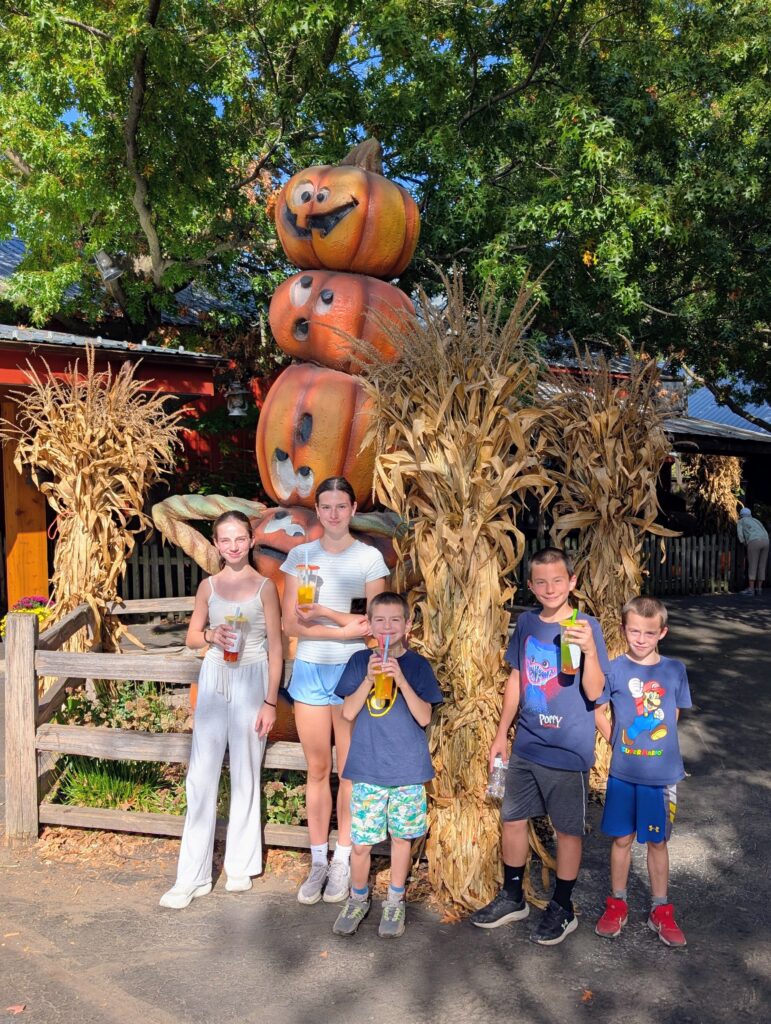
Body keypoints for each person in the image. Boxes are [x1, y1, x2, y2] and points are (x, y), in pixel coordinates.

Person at [470, 547, 610, 945]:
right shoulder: (528, 624)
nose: (550, 588)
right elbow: (517, 679)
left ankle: (563, 907)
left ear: (572, 582)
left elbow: (595, 692)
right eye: (542, 582)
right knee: (513, 820)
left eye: (558, 580)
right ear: (531, 586)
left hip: (567, 750)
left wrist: (589, 651)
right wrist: (502, 734)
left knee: (567, 831)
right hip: (527, 746)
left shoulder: (586, 626)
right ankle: (513, 896)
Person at [159, 511, 283, 909]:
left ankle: (240, 864)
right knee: (201, 775)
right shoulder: (208, 587)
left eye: (240, 538)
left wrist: (270, 701)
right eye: (225, 539)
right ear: (216, 543)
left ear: (251, 540)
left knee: (246, 771)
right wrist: (211, 634)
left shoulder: (265, 587)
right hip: (214, 679)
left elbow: (276, 648)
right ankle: (191, 875)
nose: (233, 546)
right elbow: (193, 636)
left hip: (252, 679)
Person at [281, 477, 389, 905]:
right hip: (310, 670)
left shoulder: (369, 558)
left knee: (348, 771)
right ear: (317, 511)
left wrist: (328, 617)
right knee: (317, 769)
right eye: (325, 506)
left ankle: (343, 857)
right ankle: (318, 861)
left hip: (352, 675)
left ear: (353, 508)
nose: (333, 514)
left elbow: (376, 626)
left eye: (341, 506)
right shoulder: (301, 557)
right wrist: (344, 628)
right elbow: (290, 623)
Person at [330, 592, 443, 938]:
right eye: (380, 620)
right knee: (360, 843)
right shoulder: (358, 661)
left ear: (407, 626)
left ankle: (395, 899)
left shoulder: (417, 666)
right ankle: (358, 897)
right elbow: (348, 712)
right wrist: (368, 678)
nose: (387, 627)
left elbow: (424, 717)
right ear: (369, 624)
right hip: (367, 767)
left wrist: (401, 680)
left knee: (401, 839)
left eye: (395, 620)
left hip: (407, 769)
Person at [594, 596, 692, 947]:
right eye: (634, 631)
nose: (640, 638)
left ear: (662, 632)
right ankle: (617, 904)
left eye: (649, 633)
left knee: (657, 841)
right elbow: (599, 712)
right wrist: (617, 743)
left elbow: (673, 715)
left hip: (660, 777)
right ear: (623, 629)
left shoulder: (674, 670)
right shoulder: (613, 669)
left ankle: (660, 909)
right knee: (622, 839)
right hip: (623, 773)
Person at [737, 507, 768, 596]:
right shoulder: (756, 520)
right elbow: (763, 529)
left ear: (741, 515)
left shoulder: (741, 521)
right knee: (762, 565)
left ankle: (751, 589)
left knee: (753, 565)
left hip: (754, 541)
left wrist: (744, 542)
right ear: (750, 514)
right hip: (766, 541)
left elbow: (740, 535)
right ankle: (759, 588)